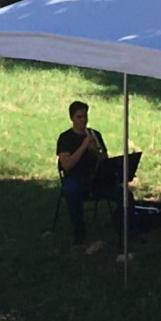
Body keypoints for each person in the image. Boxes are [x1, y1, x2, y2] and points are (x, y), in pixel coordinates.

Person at [55, 101, 114, 254]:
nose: (83, 120)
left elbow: (106, 162)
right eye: (79, 117)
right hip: (75, 178)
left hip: (95, 178)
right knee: (72, 192)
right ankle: (79, 236)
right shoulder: (65, 138)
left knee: (123, 193)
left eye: (85, 116)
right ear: (72, 118)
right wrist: (83, 147)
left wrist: (96, 152)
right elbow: (67, 165)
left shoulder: (95, 134)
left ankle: (127, 230)